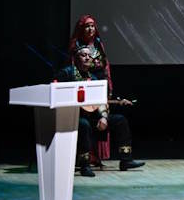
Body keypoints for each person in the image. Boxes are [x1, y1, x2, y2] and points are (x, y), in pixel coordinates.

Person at [59, 44, 144, 177]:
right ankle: (84, 165)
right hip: (72, 117)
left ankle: (126, 160)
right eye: (83, 55)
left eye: (89, 55)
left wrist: (103, 117)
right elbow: (57, 94)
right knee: (84, 124)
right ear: (75, 58)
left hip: (92, 116)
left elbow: (101, 101)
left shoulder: (93, 78)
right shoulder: (67, 73)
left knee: (120, 120)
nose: (87, 58)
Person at [67, 14, 115, 164]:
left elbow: (105, 65)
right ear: (81, 29)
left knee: (102, 116)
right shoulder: (77, 46)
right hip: (85, 85)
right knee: (86, 120)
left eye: (93, 26)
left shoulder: (99, 44)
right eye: (87, 26)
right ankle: (85, 155)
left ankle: (97, 154)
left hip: (100, 84)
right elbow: (75, 67)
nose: (90, 29)